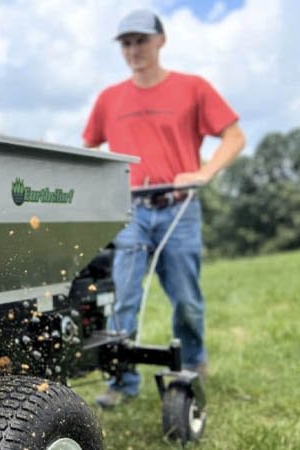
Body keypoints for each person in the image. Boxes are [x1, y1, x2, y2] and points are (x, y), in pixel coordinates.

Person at [82, 9, 245, 408]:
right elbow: (88, 149)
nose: (133, 49)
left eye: (141, 40)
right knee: (123, 297)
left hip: (179, 208)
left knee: (186, 299)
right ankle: (122, 382)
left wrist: (204, 172)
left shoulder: (192, 88)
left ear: (161, 40)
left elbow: (234, 136)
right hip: (132, 212)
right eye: (126, 43)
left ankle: (190, 366)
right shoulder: (109, 99)